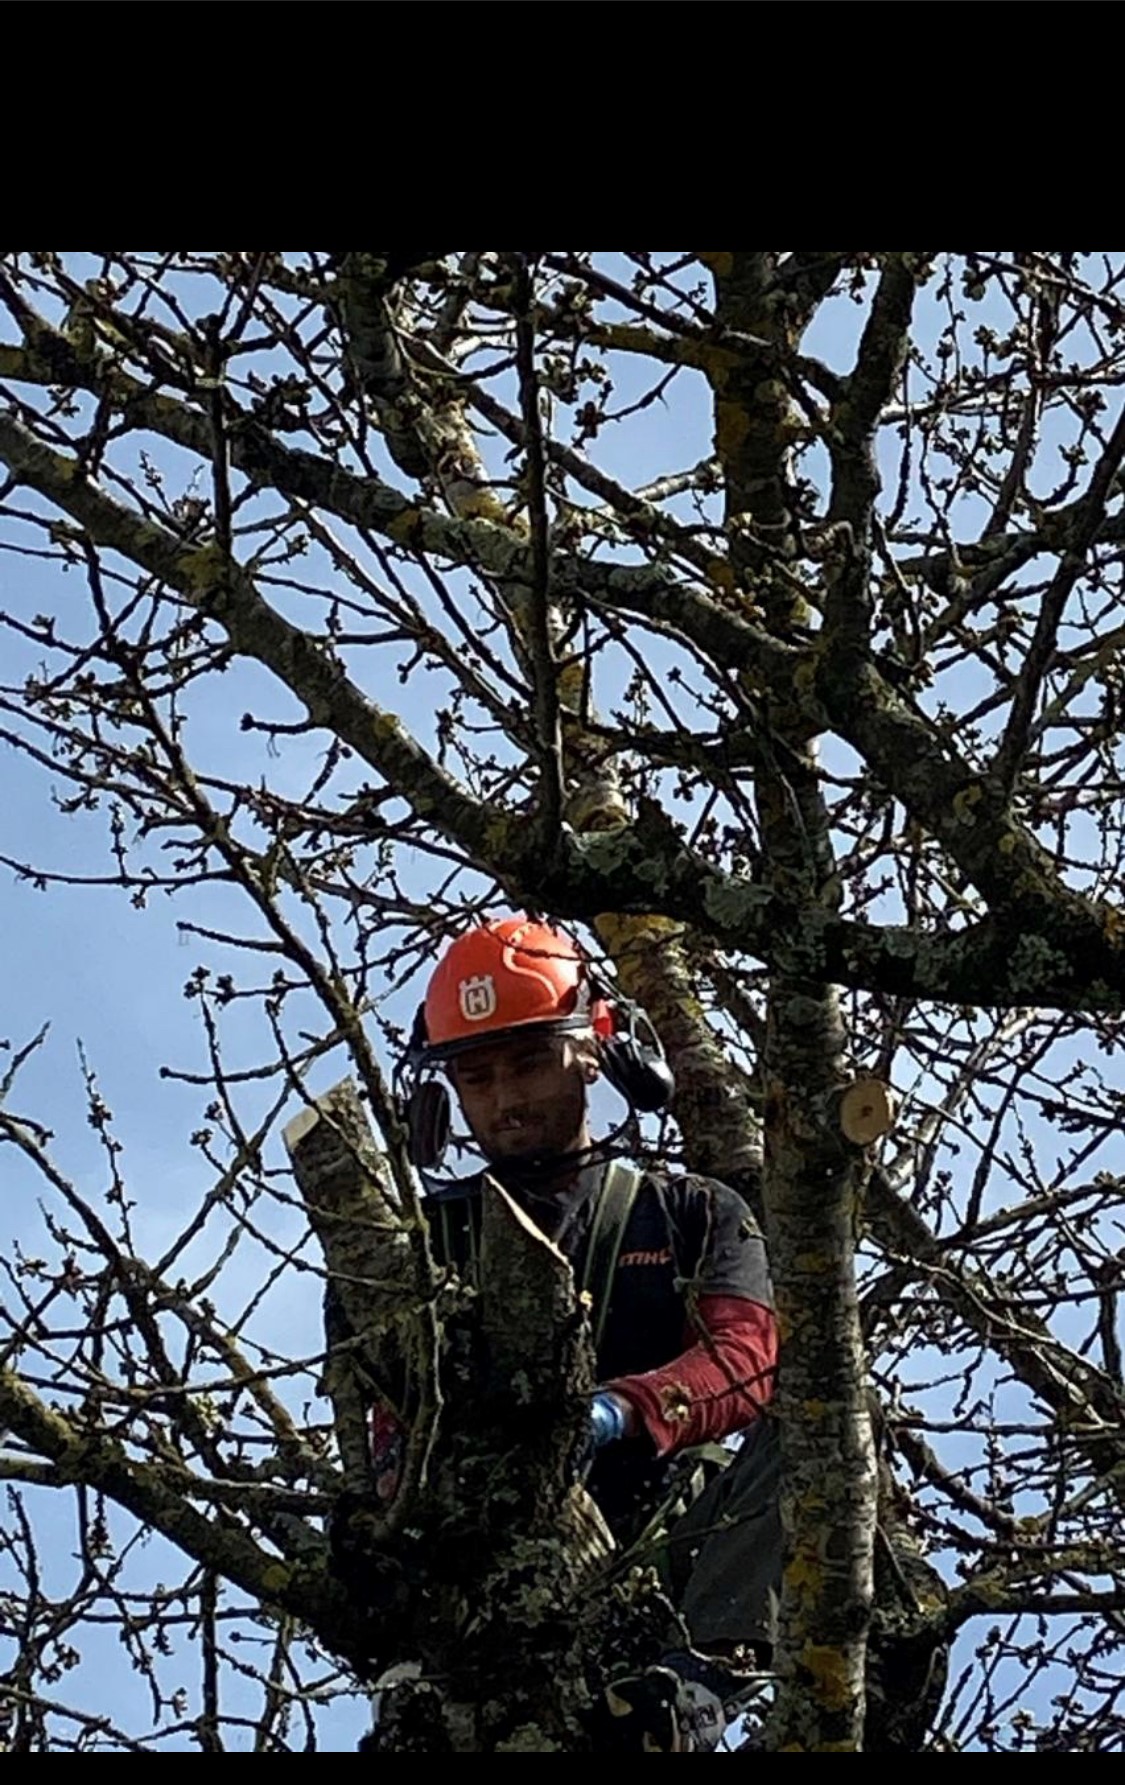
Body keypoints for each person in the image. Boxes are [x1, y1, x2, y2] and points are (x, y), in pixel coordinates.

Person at [394, 915, 784, 1752]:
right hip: (488, 1567)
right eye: (478, 1075)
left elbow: (748, 1359)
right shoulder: (423, 1244)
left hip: (669, 1540)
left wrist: (619, 1412)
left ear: (596, 1049)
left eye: (530, 1060)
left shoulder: (691, 1211)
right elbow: (387, 1424)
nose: (505, 1098)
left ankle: (697, 1678)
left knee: (826, 1417)